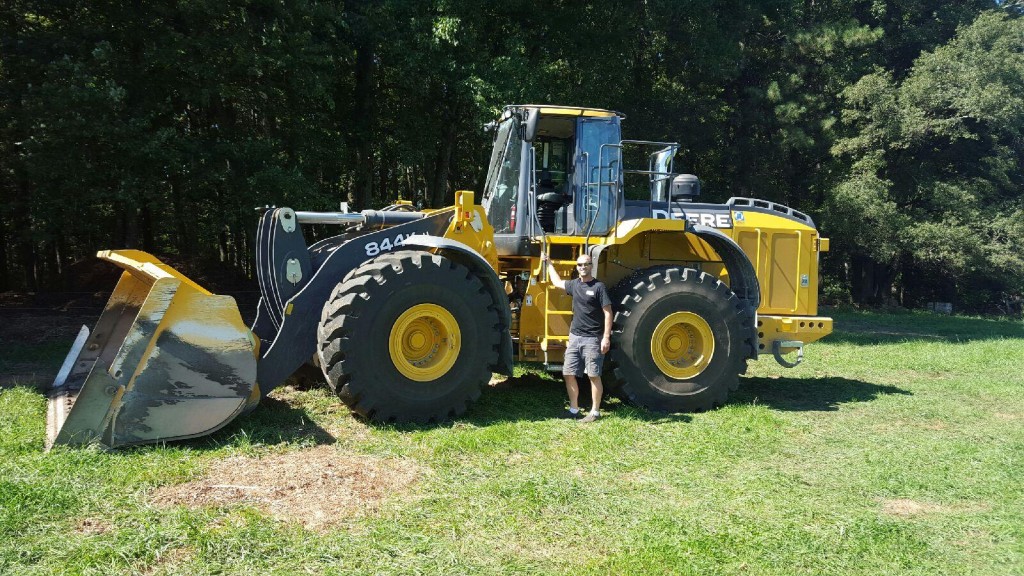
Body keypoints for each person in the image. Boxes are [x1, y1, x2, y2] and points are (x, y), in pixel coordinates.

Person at [541, 252, 612, 423]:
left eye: (586, 264)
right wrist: (549, 263)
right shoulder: (574, 285)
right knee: (568, 373)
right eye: (580, 265)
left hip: (592, 339)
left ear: (591, 266)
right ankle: (574, 409)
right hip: (574, 337)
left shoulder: (599, 287)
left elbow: (608, 313)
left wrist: (606, 337)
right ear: (577, 267)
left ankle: (595, 412)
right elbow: (557, 282)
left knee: (593, 375)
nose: (582, 267)